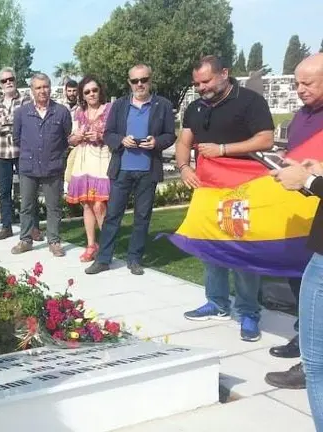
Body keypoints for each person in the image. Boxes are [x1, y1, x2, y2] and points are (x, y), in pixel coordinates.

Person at [177, 55, 275, 342]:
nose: (201, 87)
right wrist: (184, 168)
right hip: (208, 188)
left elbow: (266, 139)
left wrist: (222, 149)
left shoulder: (249, 102)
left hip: (243, 189)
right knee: (211, 248)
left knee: (241, 251)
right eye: (196, 83)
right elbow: (184, 141)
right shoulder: (195, 107)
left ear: (224, 74)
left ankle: (248, 311)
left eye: (205, 81)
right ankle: (217, 302)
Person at [265, 53, 323, 391]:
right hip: (310, 217)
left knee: (317, 362)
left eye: (308, 83)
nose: (300, 89)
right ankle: (306, 347)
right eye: (296, 83)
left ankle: (309, 361)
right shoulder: (302, 115)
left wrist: (308, 180)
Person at [85, 64, 177, 275]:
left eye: (143, 80)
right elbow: (108, 134)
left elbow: (170, 135)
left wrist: (156, 142)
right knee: (112, 216)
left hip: (147, 170)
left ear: (150, 80)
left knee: (142, 217)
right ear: (129, 83)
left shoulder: (162, 105)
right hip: (122, 170)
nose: (140, 84)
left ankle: (134, 259)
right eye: (135, 81)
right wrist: (121, 140)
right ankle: (103, 259)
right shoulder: (119, 105)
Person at [11, 73, 72, 257]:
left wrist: (53, 154)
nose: (42, 91)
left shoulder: (61, 112)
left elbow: (66, 139)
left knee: (54, 206)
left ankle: (54, 241)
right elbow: (16, 138)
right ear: (32, 90)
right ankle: (26, 240)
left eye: (45, 86)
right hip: (28, 168)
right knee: (27, 205)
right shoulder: (21, 113)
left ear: (50, 88)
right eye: (38, 87)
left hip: (53, 168)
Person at [0, 67, 42, 241]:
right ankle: (6, 226)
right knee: (4, 191)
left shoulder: (26, 101)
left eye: (10, 79)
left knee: (29, 190)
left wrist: (5, 124)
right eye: (4, 81)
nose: (8, 82)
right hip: (2, 152)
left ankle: (33, 227)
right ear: (0, 85)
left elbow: (25, 124)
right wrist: (9, 122)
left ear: (15, 80)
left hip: (22, 151)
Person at [65, 75, 113, 262]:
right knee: (86, 203)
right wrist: (77, 137)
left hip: (102, 160)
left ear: (100, 90)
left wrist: (99, 135)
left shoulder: (109, 110)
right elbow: (71, 139)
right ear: (82, 95)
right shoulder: (79, 113)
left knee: (100, 204)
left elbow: (115, 134)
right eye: (87, 92)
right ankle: (91, 244)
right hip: (83, 160)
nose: (91, 94)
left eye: (94, 90)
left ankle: (107, 245)